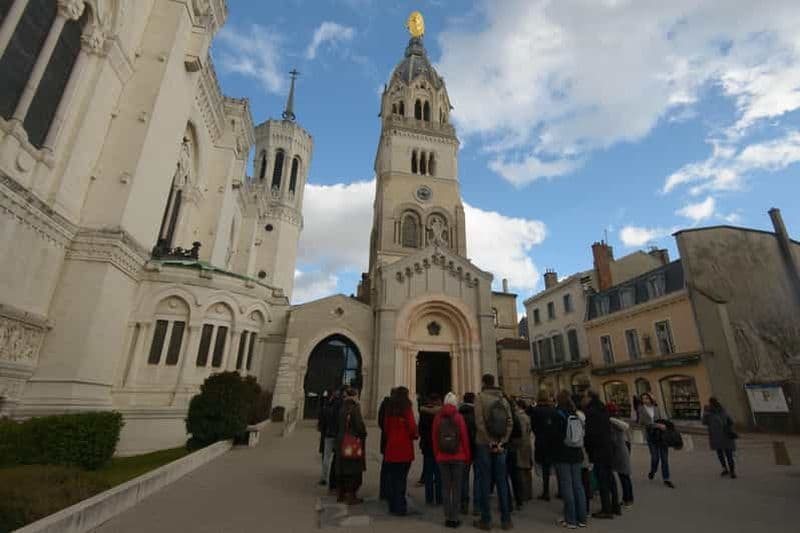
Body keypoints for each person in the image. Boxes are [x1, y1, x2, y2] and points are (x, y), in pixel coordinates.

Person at [473, 374, 514, 530]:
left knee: (484, 480)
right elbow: (510, 422)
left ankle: (486, 519)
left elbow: (479, 422)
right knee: (502, 481)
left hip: (485, 444)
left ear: (483, 382)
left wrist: (489, 441)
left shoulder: (480, 398)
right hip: (501, 446)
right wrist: (502, 441)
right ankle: (506, 520)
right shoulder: (503, 399)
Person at [433, 392, 472, 528]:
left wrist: (437, 454)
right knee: (456, 487)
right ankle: (454, 517)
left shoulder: (438, 417)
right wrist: (467, 456)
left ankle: (447, 516)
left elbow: (434, 438)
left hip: (442, 457)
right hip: (458, 457)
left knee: (445, 487)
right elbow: (464, 438)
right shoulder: (459, 417)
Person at [553, 390, 587, 529]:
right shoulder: (577, 414)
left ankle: (571, 519)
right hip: (577, 452)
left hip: (563, 453)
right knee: (578, 485)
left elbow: (555, 436)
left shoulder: (558, 414)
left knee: (567, 486)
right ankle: (582, 518)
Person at [583, 390, 619, 519]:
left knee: (602, 479)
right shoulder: (602, 409)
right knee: (610, 477)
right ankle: (615, 505)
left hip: (599, 450)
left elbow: (590, 434)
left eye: (585, 397)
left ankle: (606, 509)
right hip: (608, 448)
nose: (583, 399)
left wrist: (588, 448)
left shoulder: (591, 412)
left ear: (590, 397)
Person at [383, 386, 419, 515]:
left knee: (392, 478)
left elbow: (386, 428)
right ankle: (400, 507)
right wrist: (414, 435)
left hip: (391, 448)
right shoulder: (406, 408)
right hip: (404, 449)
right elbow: (412, 427)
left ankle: (392, 505)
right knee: (401, 479)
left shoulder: (389, 409)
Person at [335, 387, 367, 505]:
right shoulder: (354, 408)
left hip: (341, 440)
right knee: (353, 468)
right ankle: (351, 495)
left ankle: (341, 494)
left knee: (342, 468)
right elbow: (359, 426)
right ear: (354, 396)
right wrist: (363, 434)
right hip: (351, 441)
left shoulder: (342, 407)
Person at [528, 391, 561, 501]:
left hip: (542, 441)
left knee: (545, 468)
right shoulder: (554, 410)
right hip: (554, 441)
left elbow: (533, 426)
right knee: (557, 466)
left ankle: (546, 491)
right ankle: (561, 489)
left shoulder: (536, 411)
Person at [637, 392, 674, 488]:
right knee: (655, 457)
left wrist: (666, 425)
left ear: (651, 398)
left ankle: (666, 478)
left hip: (662, 436)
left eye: (646, 398)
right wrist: (655, 425)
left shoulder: (657, 408)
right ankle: (653, 471)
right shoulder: (641, 409)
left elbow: (664, 418)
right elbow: (641, 422)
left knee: (664, 459)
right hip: (651, 436)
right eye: (643, 398)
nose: (645, 400)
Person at [702, 397, 737, 478]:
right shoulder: (723, 410)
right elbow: (731, 421)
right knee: (729, 454)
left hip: (716, 437)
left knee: (720, 454)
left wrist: (705, 413)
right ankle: (732, 471)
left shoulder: (708, 413)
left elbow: (704, 422)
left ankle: (725, 469)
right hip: (726, 435)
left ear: (710, 403)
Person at [608, 403, 634, 508]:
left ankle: (628, 499)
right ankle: (627, 498)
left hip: (618, 451)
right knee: (624, 476)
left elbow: (613, 439)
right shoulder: (619, 421)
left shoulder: (613, 423)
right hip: (622, 450)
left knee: (623, 476)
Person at [419, 393, 443, 505]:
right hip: (438, 447)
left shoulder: (423, 413)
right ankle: (439, 498)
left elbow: (420, 430)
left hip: (427, 446)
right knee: (439, 473)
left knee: (428, 473)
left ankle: (429, 498)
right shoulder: (442, 414)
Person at [458, 392, 479, 516]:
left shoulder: (459, 414)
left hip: (463, 450)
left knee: (463, 478)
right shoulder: (478, 414)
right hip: (477, 449)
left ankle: (464, 504)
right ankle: (477, 506)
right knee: (478, 478)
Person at [511, 400, 533, 506]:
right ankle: (528, 492)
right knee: (526, 468)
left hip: (522, 445)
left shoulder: (520, 417)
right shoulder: (526, 416)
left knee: (521, 469)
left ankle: (524, 493)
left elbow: (523, 432)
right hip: (526, 444)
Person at [319, 389, 340, 486]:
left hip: (328, 435)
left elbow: (322, 423)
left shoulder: (326, 408)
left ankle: (324, 477)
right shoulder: (341, 408)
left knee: (326, 457)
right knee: (337, 457)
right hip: (338, 435)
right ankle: (336, 477)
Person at [378, 389, 395, 500]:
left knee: (385, 467)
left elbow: (380, 422)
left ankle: (384, 492)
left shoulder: (385, 404)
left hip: (386, 439)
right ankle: (391, 492)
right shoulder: (397, 407)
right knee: (394, 469)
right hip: (395, 443)